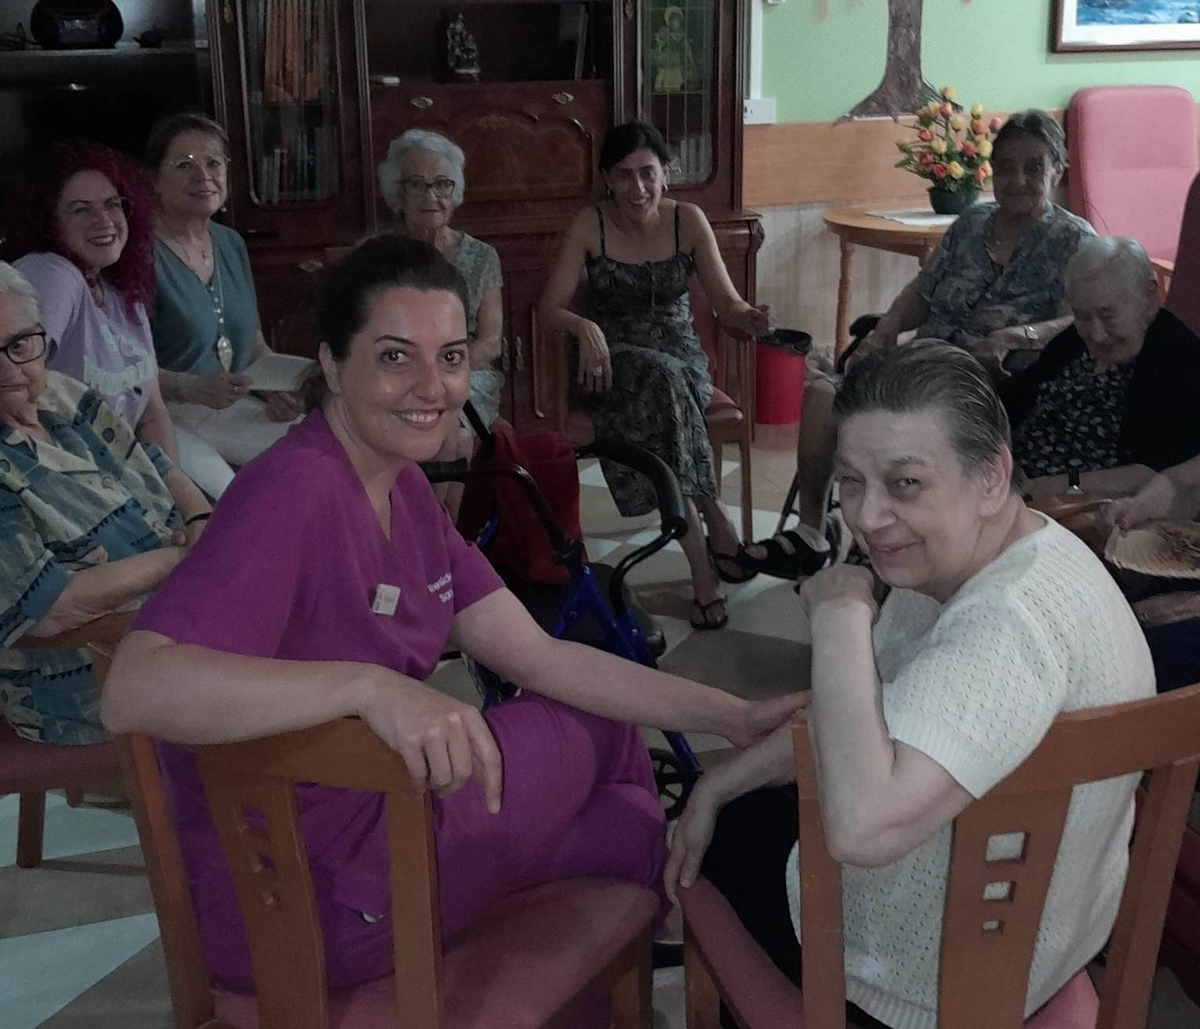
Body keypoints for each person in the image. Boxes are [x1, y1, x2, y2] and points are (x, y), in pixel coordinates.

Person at [100, 235, 804, 992]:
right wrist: (366, 687)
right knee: (601, 739)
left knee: (626, 827)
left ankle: (641, 919)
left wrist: (732, 715)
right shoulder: (292, 492)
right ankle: (666, 918)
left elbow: (538, 656)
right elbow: (134, 688)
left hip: (385, 830)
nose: (432, 387)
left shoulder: (401, 486)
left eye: (452, 356)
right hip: (295, 894)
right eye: (395, 357)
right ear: (331, 363)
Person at [665, 342, 1154, 1029]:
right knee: (734, 801)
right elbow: (864, 712)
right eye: (850, 480)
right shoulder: (1012, 548)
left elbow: (862, 827)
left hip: (938, 982)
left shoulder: (1007, 623)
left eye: (905, 484)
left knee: (729, 840)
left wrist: (838, 612)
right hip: (1046, 936)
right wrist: (721, 781)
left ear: (992, 476)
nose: (866, 516)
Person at [754, 110, 1095, 571]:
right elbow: (922, 292)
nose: (1017, 179)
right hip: (923, 361)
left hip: (991, 381)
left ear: (1057, 171)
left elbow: (1079, 319)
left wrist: (1021, 334)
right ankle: (812, 532)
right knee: (822, 394)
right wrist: (883, 333)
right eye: (1006, 166)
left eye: (1033, 167)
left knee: (894, 427)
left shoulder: (1073, 239)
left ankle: (885, 539)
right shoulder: (971, 223)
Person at [540, 121, 774, 630]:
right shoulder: (590, 224)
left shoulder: (688, 219)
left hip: (683, 361)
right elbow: (549, 308)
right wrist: (585, 327)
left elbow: (727, 302)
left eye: (648, 173)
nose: (638, 187)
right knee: (663, 385)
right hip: (611, 365)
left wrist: (748, 317)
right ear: (607, 179)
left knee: (670, 385)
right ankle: (714, 529)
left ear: (667, 173)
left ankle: (703, 560)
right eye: (624, 175)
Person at [0, 262, 211, 745]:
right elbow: (50, 608)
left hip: (181, 628)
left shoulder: (61, 392)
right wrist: (183, 558)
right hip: (98, 683)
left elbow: (152, 461)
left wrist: (202, 519)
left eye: (20, 344)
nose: (9, 367)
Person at [145, 112, 306, 497]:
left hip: (233, 409)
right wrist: (192, 388)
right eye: (184, 165)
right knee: (236, 498)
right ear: (153, 180)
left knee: (325, 447)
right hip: (168, 415)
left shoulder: (231, 243)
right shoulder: (138, 254)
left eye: (214, 163)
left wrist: (275, 391)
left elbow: (254, 347)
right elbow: (124, 370)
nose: (203, 175)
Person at [2, 141, 186, 471]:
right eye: (80, 209)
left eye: (112, 204)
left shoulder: (122, 293)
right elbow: (17, 385)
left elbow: (153, 413)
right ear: (47, 220)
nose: (104, 220)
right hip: (68, 475)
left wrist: (172, 492)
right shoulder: (54, 274)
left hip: (128, 475)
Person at [1002, 236, 1200, 497]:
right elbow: (1016, 398)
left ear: (1150, 297)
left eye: (1108, 315)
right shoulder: (1074, 342)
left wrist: (1041, 488)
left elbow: (1155, 473)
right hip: (1007, 476)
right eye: (1082, 316)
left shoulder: (1178, 362)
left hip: (1071, 506)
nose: (1096, 334)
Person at [378, 129, 503, 518]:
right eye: (417, 184)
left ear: (455, 191)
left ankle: (427, 534)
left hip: (469, 374)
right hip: (401, 371)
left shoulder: (482, 257)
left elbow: (491, 341)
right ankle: (443, 535)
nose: (431, 195)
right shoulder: (379, 256)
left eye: (442, 184)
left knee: (449, 430)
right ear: (397, 193)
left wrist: (444, 369)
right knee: (455, 438)